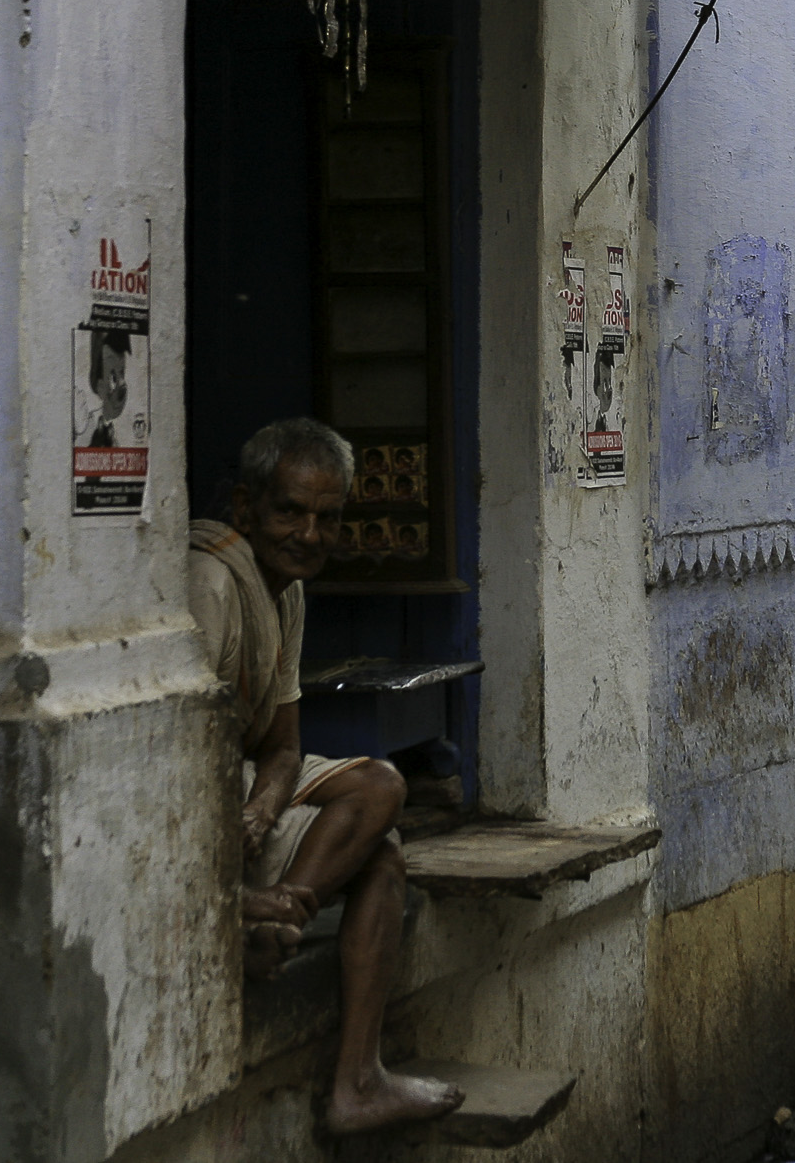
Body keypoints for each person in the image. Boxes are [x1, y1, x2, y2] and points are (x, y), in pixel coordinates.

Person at [188, 418, 463, 1134]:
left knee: (381, 788)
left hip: (244, 786)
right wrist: (233, 824)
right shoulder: (213, 583)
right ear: (247, 509)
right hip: (195, 796)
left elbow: (283, 747)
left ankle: (283, 916)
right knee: (386, 855)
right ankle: (354, 1076)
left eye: (327, 518)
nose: (309, 534)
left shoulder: (286, 591)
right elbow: (187, 760)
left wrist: (258, 814)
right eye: (289, 512)